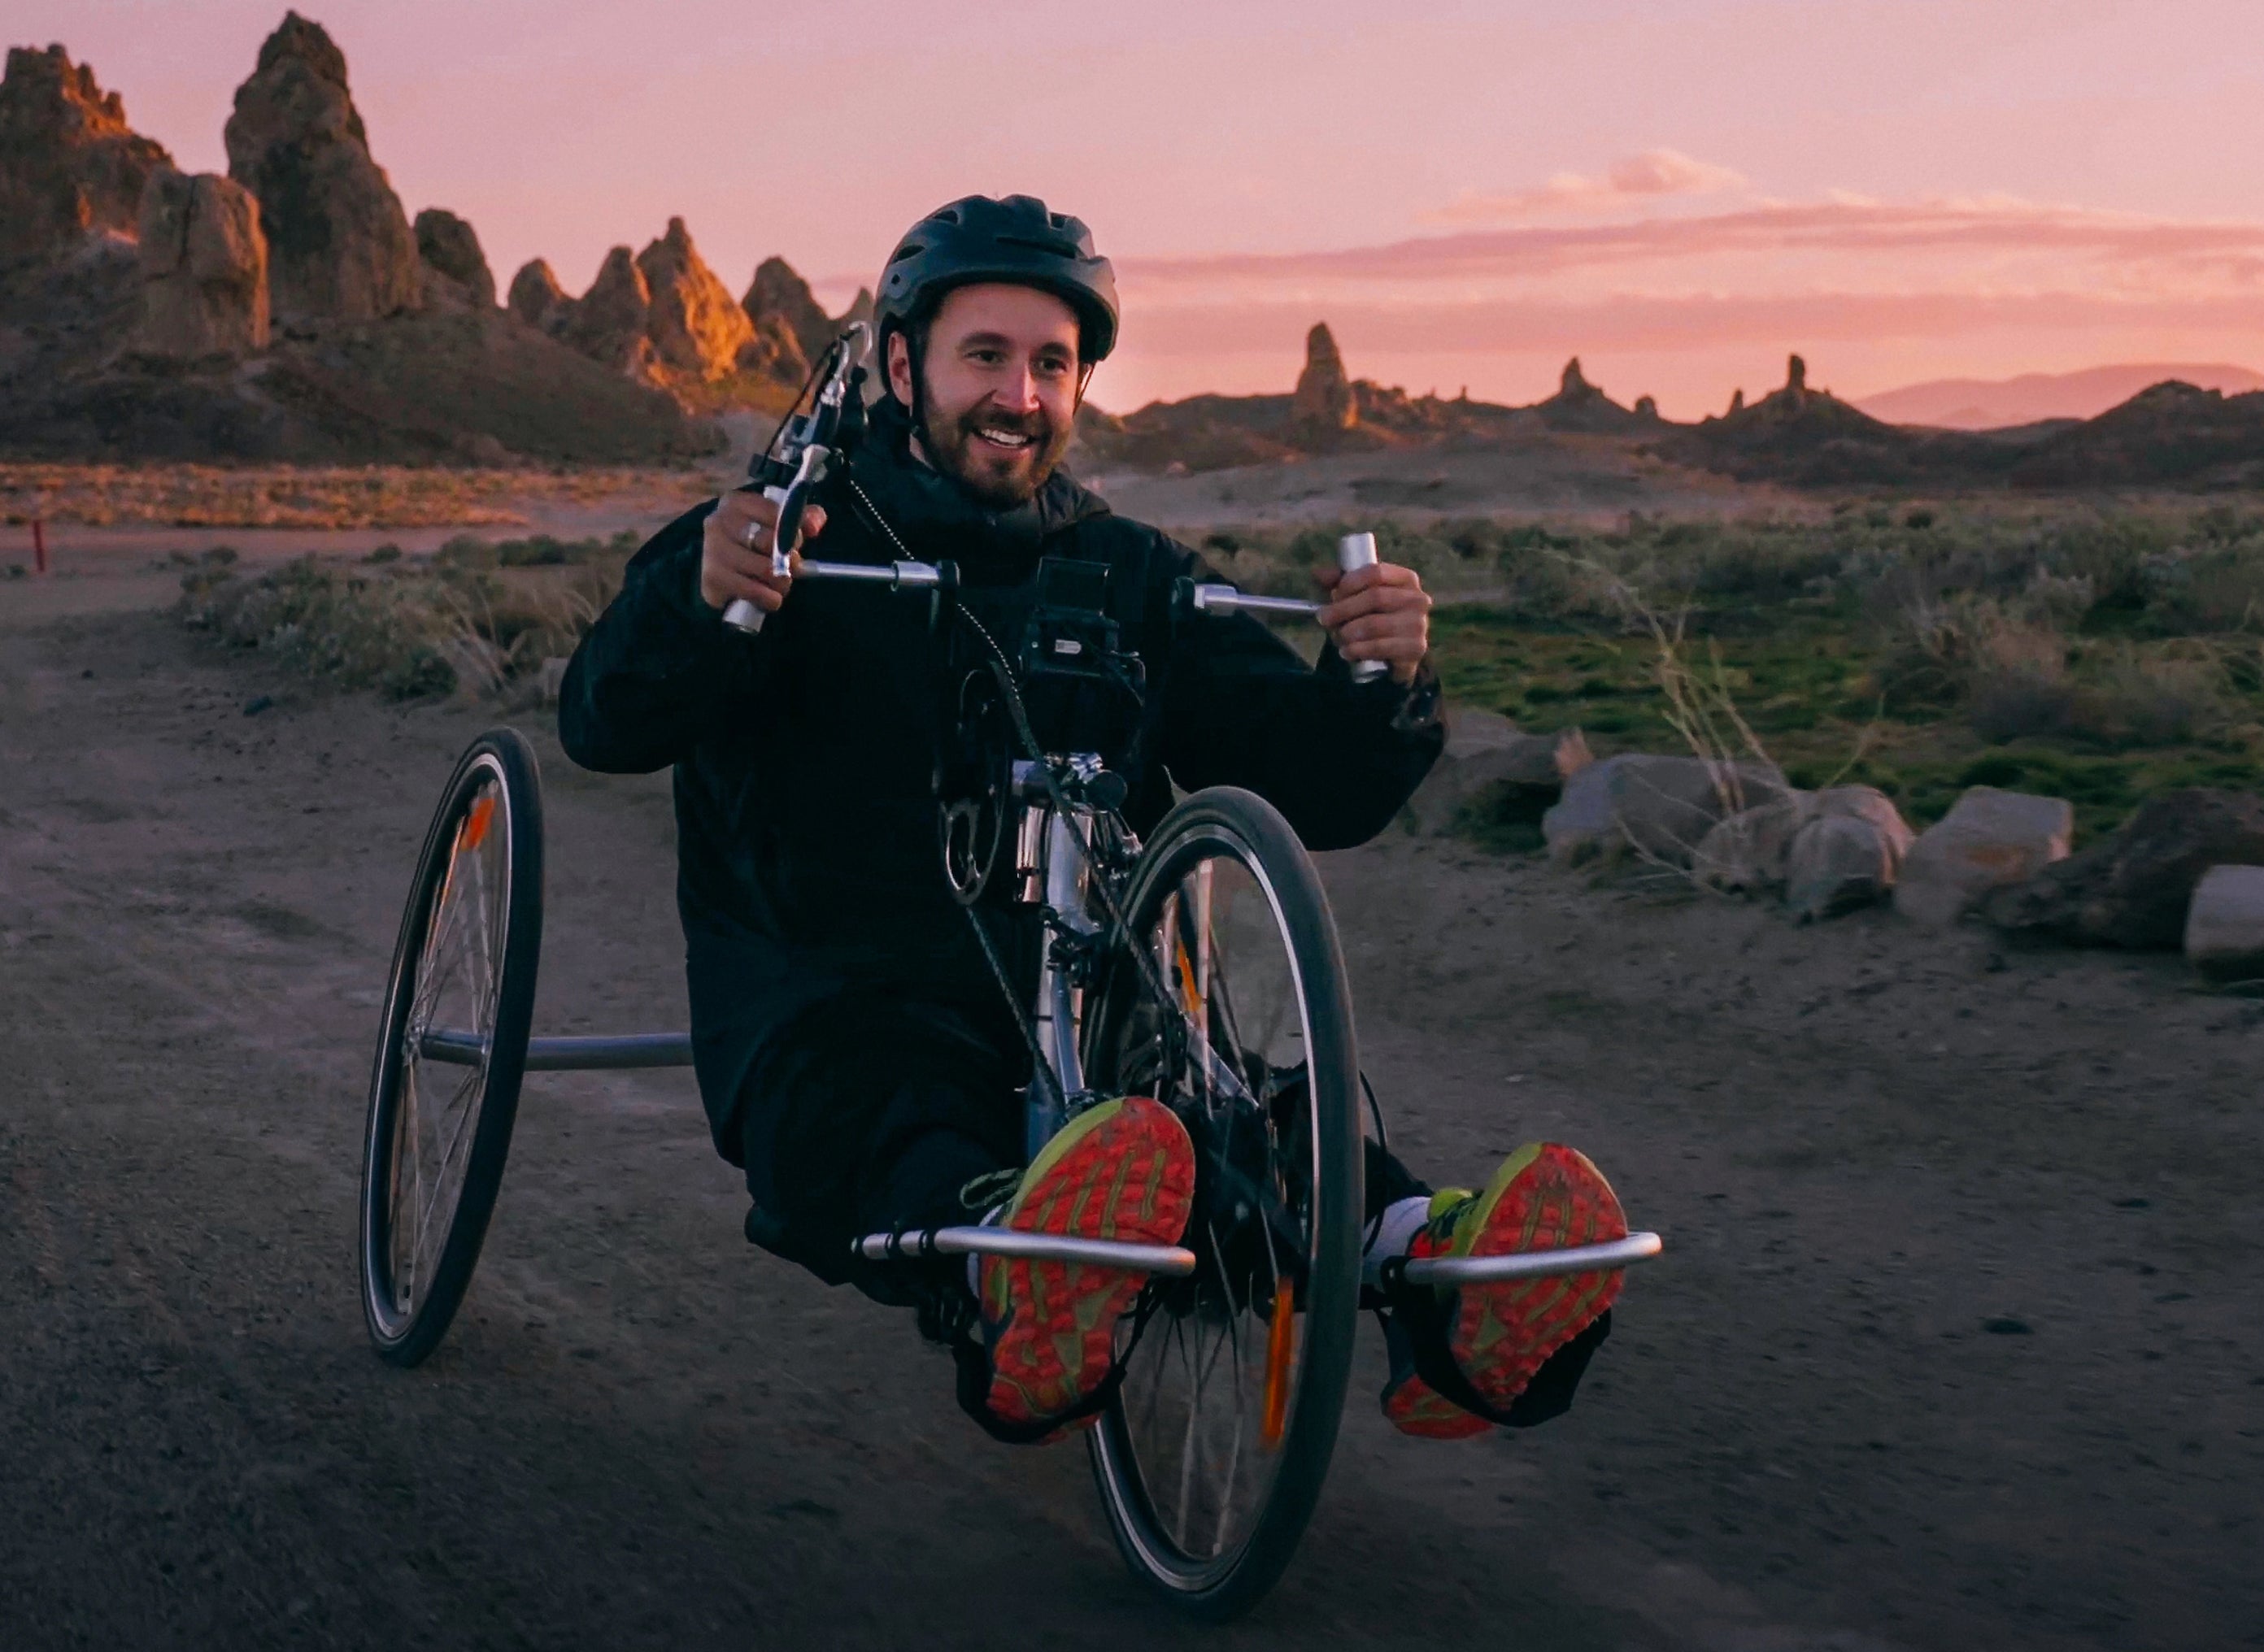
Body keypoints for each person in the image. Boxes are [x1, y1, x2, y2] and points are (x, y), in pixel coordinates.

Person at [559, 194, 1623, 1442]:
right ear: (904, 365)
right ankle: (1016, 1275)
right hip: (832, 1007)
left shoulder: (1132, 576)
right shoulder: (780, 544)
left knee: (1235, 1136)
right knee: (888, 1126)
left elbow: (1321, 789)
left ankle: (1442, 1287)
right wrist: (697, 601)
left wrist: (1379, 683)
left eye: (1051, 365)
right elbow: (604, 723)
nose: (1019, 395)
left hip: (1101, 1039)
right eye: (986, 357)